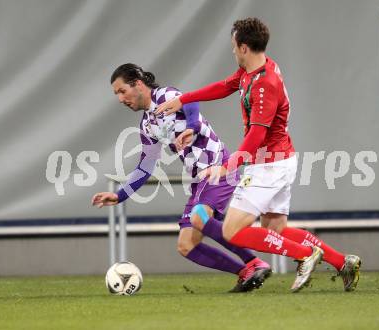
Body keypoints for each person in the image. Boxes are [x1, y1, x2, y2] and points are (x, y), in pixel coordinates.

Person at [156, 18, 361, 292]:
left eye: (233, 47)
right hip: (280, 160)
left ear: (243, 47)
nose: (232, 52)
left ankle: (305, 254)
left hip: (269, 164)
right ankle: (342, 262)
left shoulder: (265, 85)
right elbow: (225, 86)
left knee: (232, 231)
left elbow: (257, 136)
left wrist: (227, 166)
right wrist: (184, 99)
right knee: (276, 230)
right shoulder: (255, 70)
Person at [91, 63, 271, 292]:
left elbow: (190, 100)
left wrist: (193, 127)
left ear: (138, 84)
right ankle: (246, 272)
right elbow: (146, 166)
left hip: (218, 166)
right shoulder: (147, 124)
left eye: (121, 91)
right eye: (116, 94)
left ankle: (255, 262)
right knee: (186, 245)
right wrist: (120, 195)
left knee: (198, 217)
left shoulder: (164, 95)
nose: (119, 99)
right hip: (199, 179)